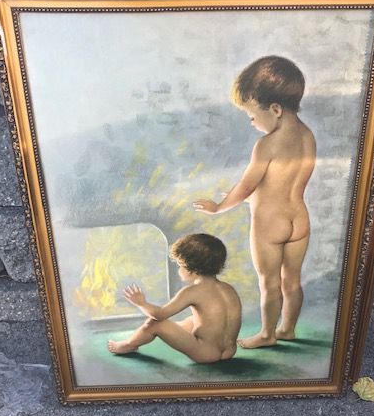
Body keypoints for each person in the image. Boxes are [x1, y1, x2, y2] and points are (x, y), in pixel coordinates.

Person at [193, 56, 316, 349]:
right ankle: (288, 329)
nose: (251, 122)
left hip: (269, 224)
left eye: (251, 115)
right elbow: (283, 183)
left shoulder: (266, 145)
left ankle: (267, 334)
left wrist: (219, 207)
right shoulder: (308, 136)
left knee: (269, 283)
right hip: (298, 219)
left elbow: (248, 186)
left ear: (275, 109)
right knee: (292, 282)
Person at [107, 233, 242, 363]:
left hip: (205, 354)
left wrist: (141, 303)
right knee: (193, 319)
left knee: (155, 323)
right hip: (229, 351)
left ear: (191, 267)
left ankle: (128, 345)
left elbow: (160, 314)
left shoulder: (192, 291)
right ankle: (172, 330)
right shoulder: (228, 289)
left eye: (179, 266)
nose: (178, 270)